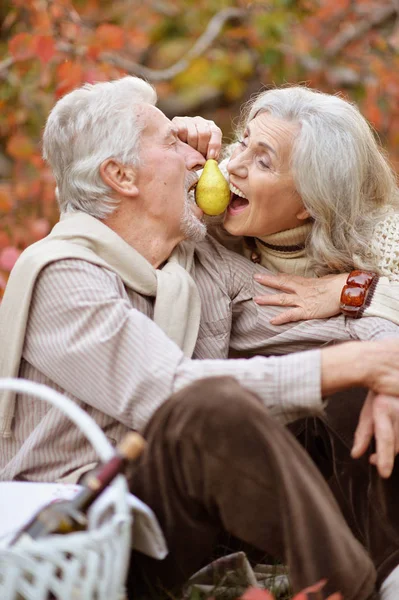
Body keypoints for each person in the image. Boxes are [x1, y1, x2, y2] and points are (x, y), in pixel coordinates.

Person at [1, 77, 399, 600]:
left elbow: (339, 332)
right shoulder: (65, 274)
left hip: (178, 519)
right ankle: (350, 589)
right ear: (120, 175)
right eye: (173, 143)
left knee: (357, 387)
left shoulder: (202, 268)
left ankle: (391, 574)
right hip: (82, 534)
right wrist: (358, 363)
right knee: (210, 406)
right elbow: (167, 391)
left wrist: (379, 359)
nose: (202, 161)